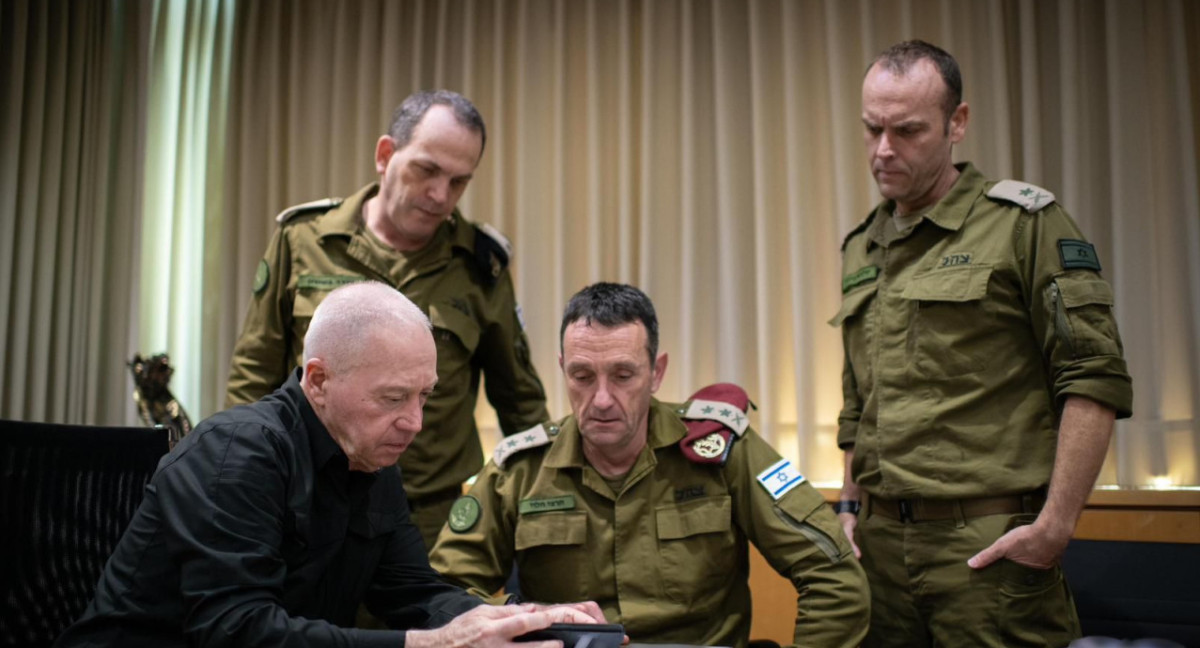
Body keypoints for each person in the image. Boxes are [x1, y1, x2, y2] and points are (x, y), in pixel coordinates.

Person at [56, 282, 603, 647]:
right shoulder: (237, 453)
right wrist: (427, 643)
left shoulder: (370, 455)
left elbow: (414, 593)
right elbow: (237, 630)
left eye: (424, 396)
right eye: (393, 398)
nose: (414, 422)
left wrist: (521, 622)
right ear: (318, 380)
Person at [830, 40, 1134, 647]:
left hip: (988, 544)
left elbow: (1093, 377)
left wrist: (1054, 528)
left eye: (908, 130)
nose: (884, 149)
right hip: (881, 553)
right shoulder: (862, 245)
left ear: (957, 123)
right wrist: (847, 507)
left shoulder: (1024, 224)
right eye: (872, 129)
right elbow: (860, 401)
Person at [429, 282, 870, 648]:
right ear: (563, 370)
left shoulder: (721, 450)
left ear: (656, 372)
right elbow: (443, 595)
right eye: (582, 376)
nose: (601, 400)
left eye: (623, 375)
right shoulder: (519, 470)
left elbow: (833, 576)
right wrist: (523, 617)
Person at [225, 90, 548, 549]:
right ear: (385, 155)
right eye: (427, 169)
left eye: (459, 182)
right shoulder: (303, 242)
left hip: (431, 522)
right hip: (309, 504)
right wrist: (242, 485)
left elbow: (520, 401)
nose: (441, 195)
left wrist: (541, 511)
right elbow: (253, 377)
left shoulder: (480, 266)